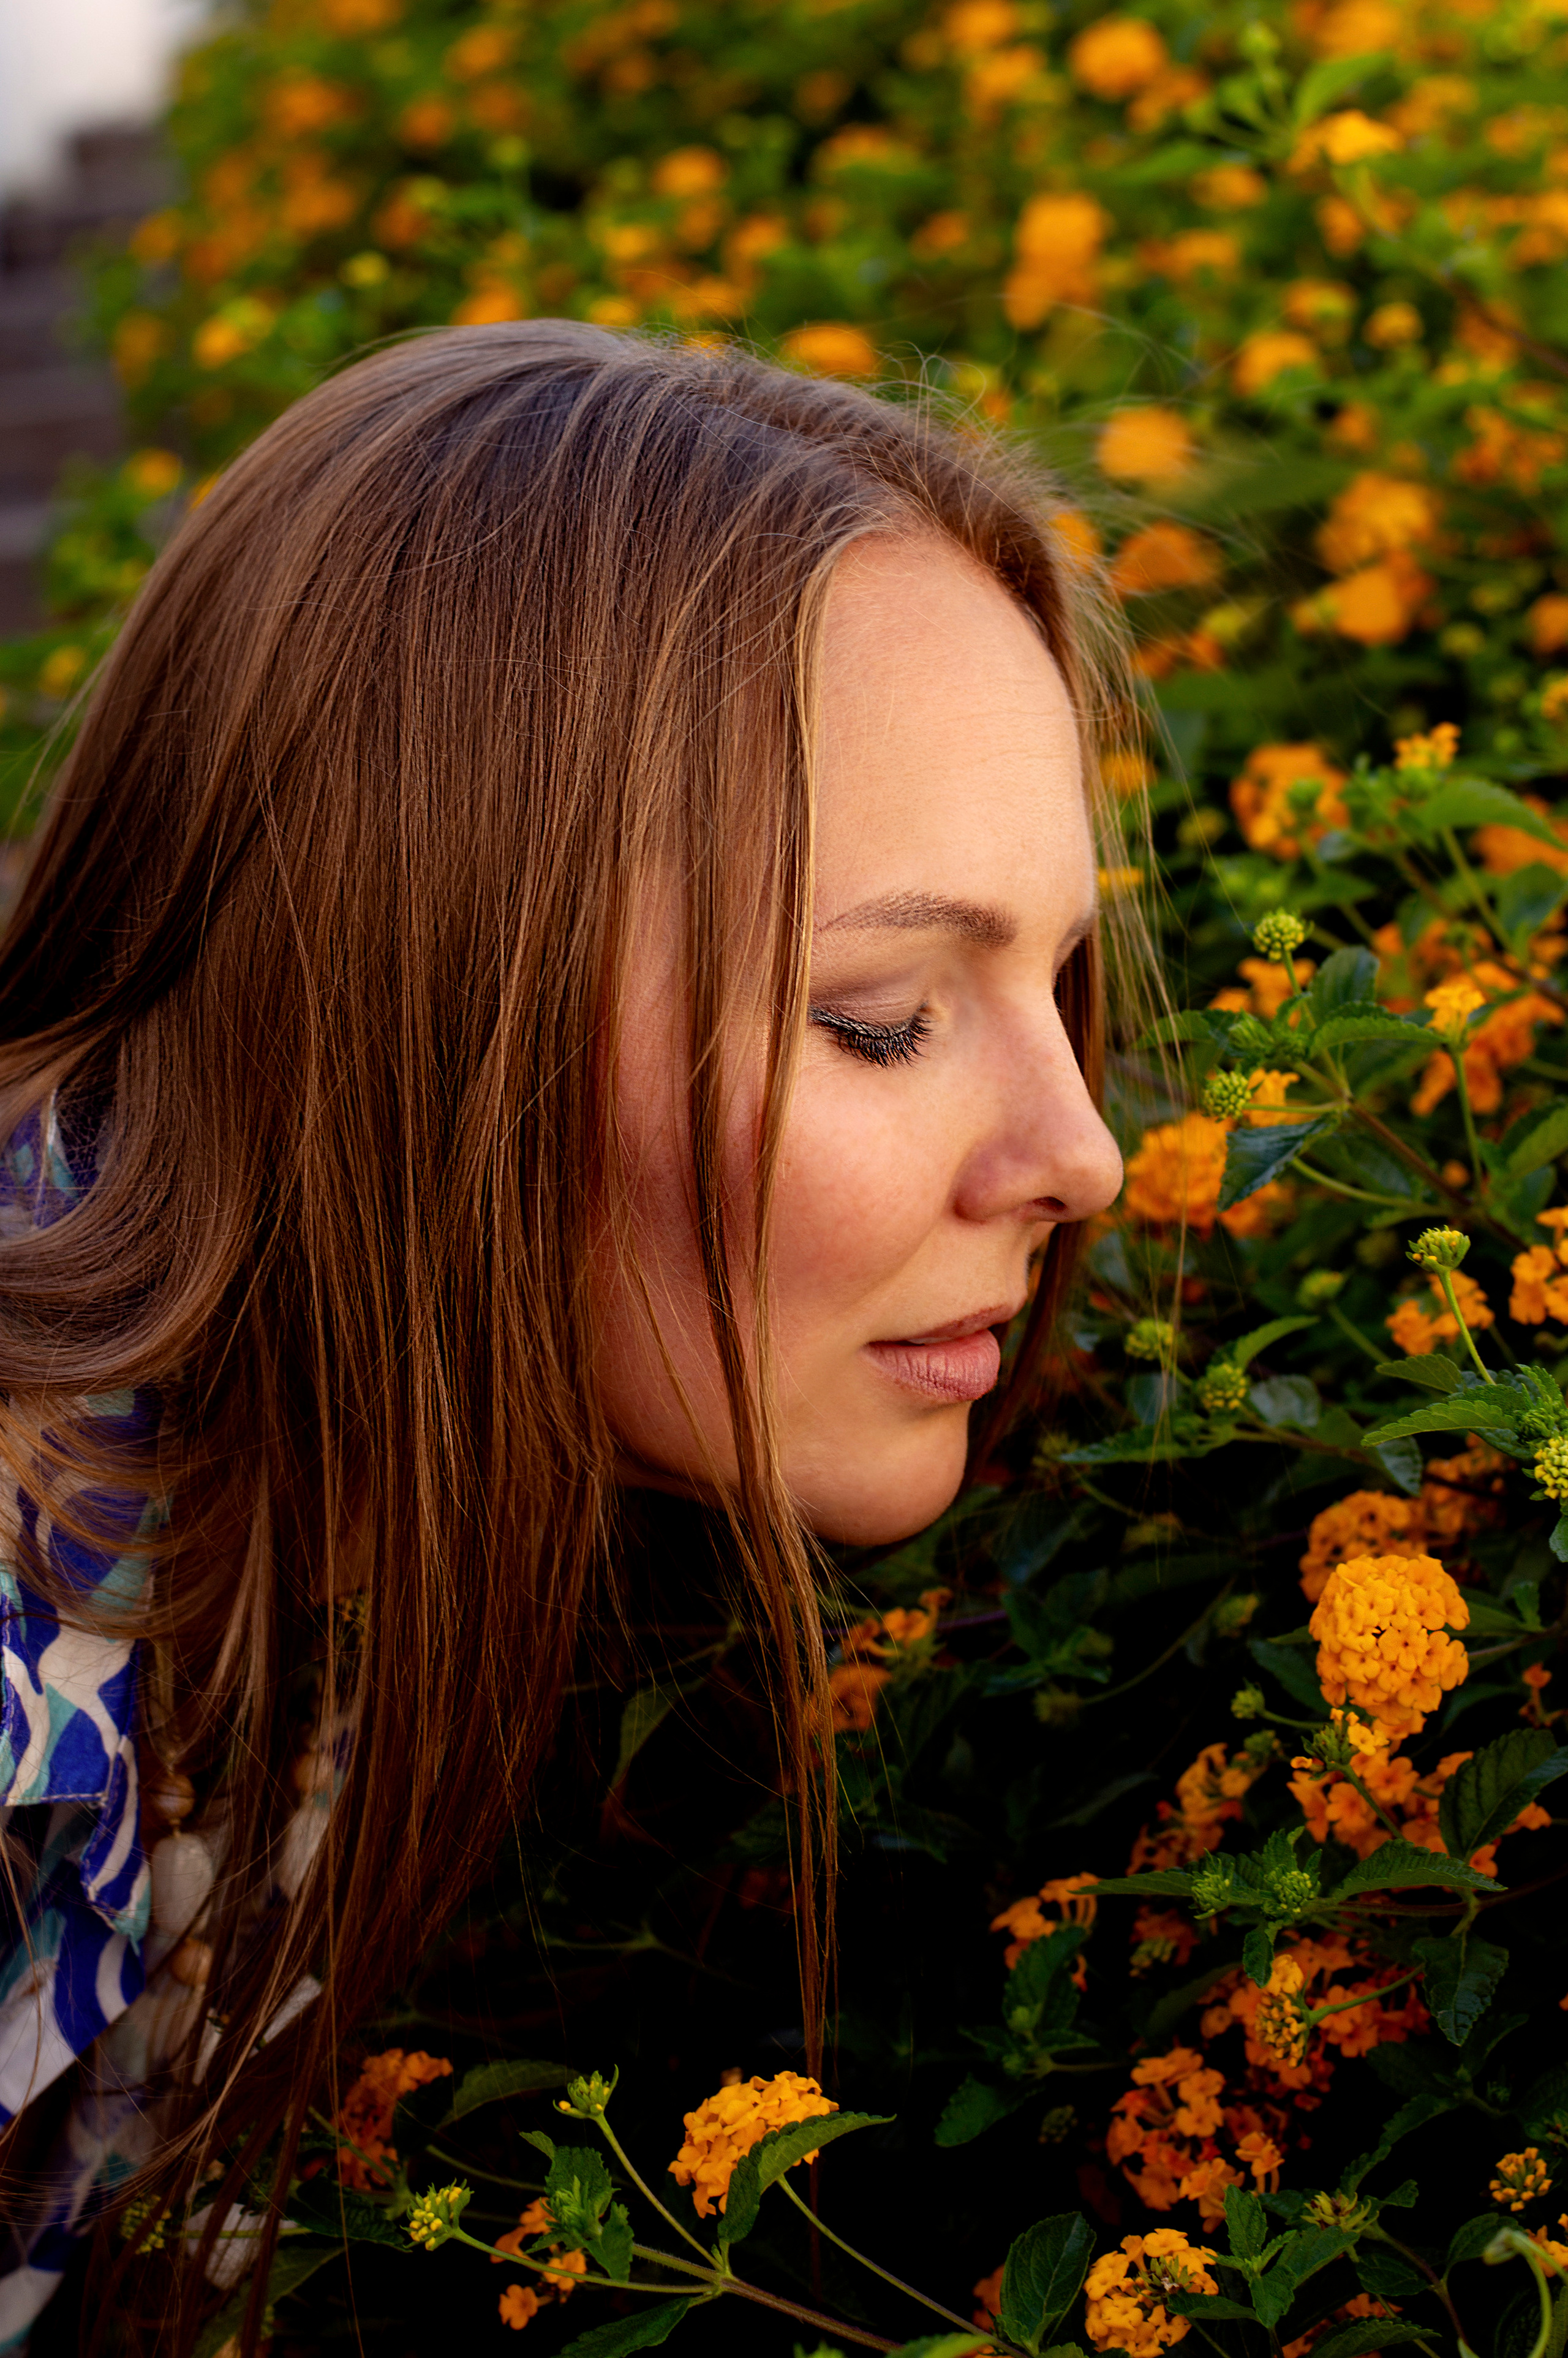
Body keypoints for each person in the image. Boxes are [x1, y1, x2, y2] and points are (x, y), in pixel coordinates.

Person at [0, 322, 1128, 2350]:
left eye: (1058, 974)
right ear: (432, 994)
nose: (1084, 1154)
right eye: (882, 1017)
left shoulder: (301, 1531)